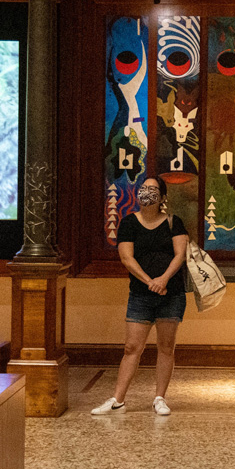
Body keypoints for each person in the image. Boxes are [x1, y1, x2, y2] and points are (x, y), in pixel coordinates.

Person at [93, 176, 188, 416]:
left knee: (166, 346)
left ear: (163, 197)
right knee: (131, 347)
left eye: (153, 189)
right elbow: (126, 257)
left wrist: (163, 280)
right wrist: (149, 282)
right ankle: (118, 399)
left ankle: (160, 398)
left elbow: (180, 254)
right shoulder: (129, 223)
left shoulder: (173, 222)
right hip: (140, 294)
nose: (147, 193)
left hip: (171, 292)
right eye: (144, 188)